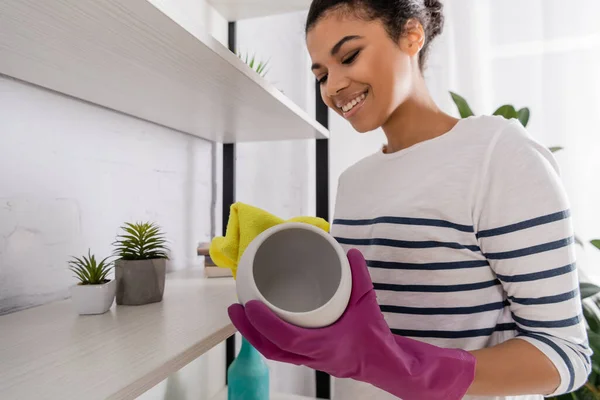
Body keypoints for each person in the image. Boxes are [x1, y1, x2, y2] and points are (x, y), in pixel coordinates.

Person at [227, 0, 592, 399]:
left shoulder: (498, 155)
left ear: (412, 35)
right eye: (321, 74)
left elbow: (565, 354)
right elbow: (361, 336)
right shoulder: (354, 182)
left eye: (349, 56)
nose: (332, 87)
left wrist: (411, 370)